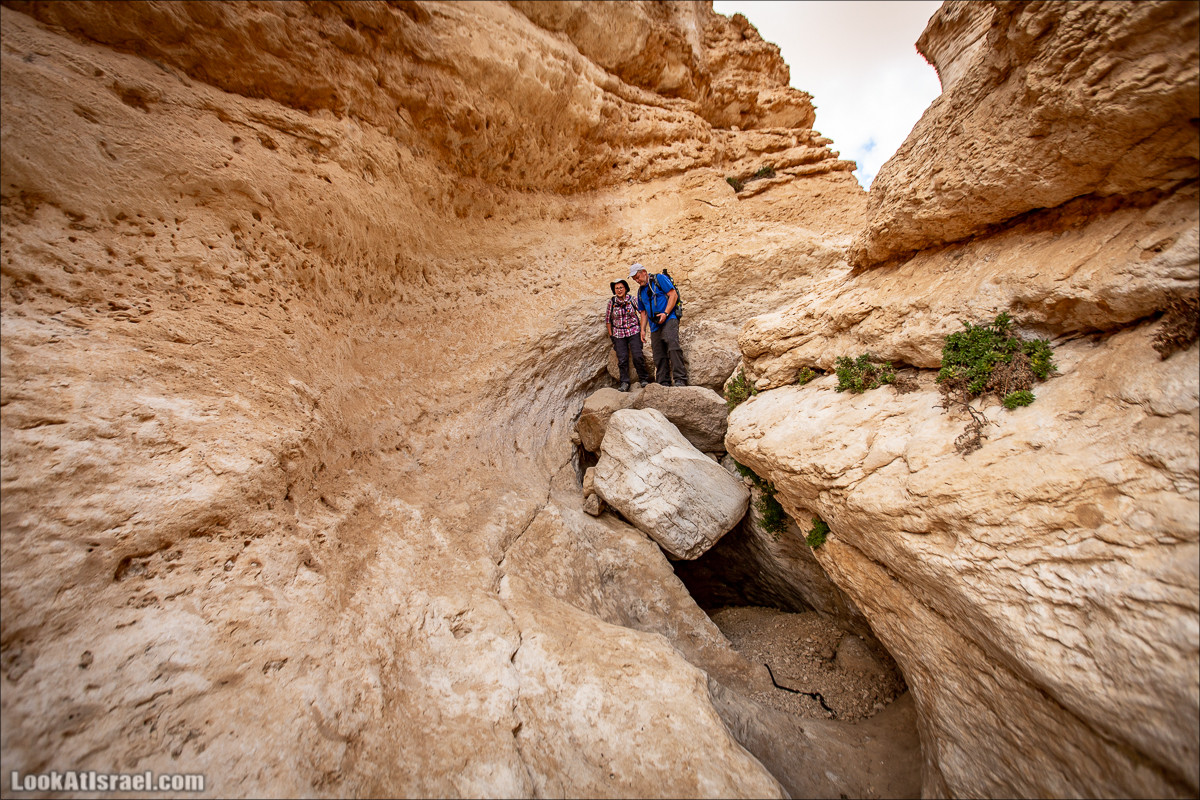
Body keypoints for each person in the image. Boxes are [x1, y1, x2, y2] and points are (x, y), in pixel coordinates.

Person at [630, 263, 688, 387]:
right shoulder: (640, 291)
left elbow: (673, 294)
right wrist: (642, 330)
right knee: (658, 353)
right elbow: (643, 312)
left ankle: (680, 379)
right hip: (654, 324)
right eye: (635, 279)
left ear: (644, 272)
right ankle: (663, 382)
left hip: (669, 318)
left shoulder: (659, 279)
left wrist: (665, 313)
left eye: (637, 277)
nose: (637, 280)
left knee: (672, 344)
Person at [606, 279, 651, 391]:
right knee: (622, 359)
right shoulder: (612, 302)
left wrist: (642, 330)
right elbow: (608, 320)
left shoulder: (632, 299)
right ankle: (624, 382)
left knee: (637, 355)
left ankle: (643, 378)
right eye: (617, 288)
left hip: (633, 331)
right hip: (619, 334)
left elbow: (642, 312)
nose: (619, 290)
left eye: (621, 287)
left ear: (625, 288)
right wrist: (612, 336)